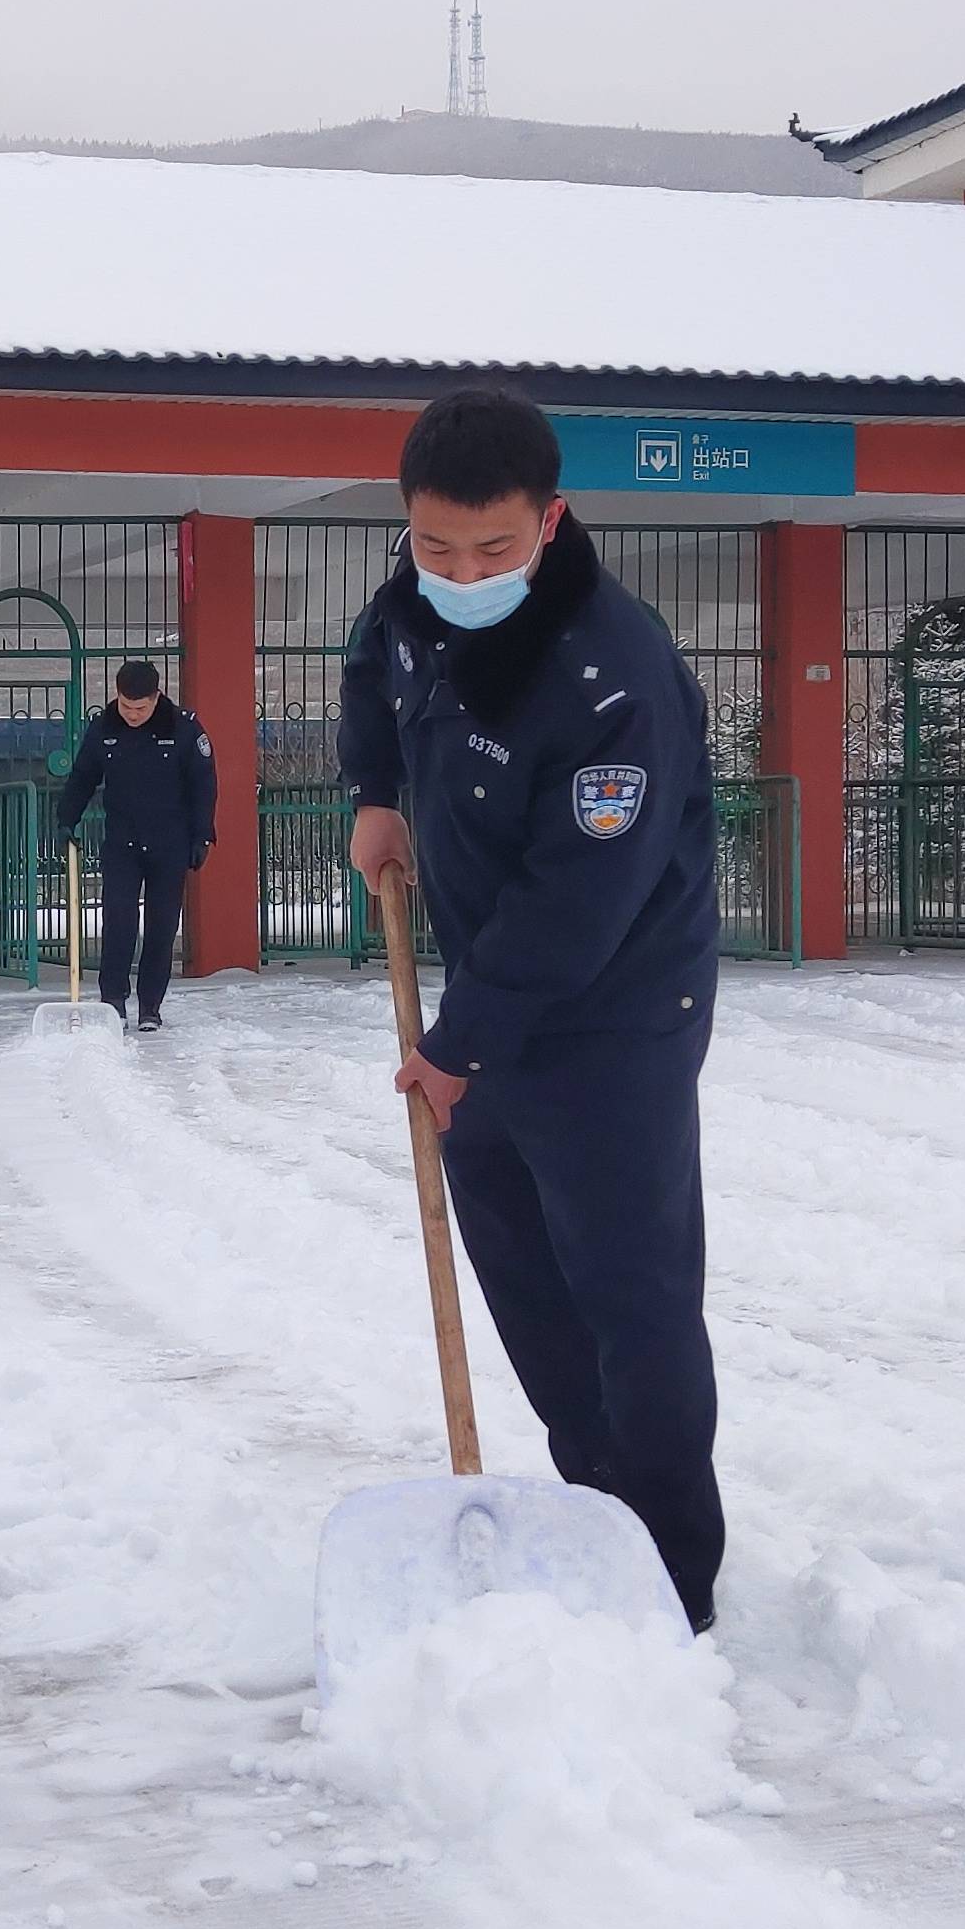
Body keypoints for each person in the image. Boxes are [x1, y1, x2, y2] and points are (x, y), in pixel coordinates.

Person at [337, 386, 728, 1630]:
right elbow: (373, 668)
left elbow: (580, 903)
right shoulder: (412, 608)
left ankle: (671, 1577)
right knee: (522, 1279)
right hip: (490, 1006)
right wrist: (373, 789)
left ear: (550, 521)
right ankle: (593, 1509)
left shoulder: (614, 679)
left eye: (493, 549)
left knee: (629, 1293)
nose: (461, 573)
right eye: (436, 546)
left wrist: (455, 1047)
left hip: (615, 1009)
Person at [51, 656, 217, 1030]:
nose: (132, 714)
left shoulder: (184, 728)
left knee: (161, 926)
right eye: (126, 705)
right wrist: (66, 818)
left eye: (140, 707)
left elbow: (203, 786)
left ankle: (150, 1006)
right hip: (122, 841)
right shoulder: (104, 727)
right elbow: (83, 777)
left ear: (157, 697)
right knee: (118, 921)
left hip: (169, 842)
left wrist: (202, 835)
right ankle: (113, 1001)